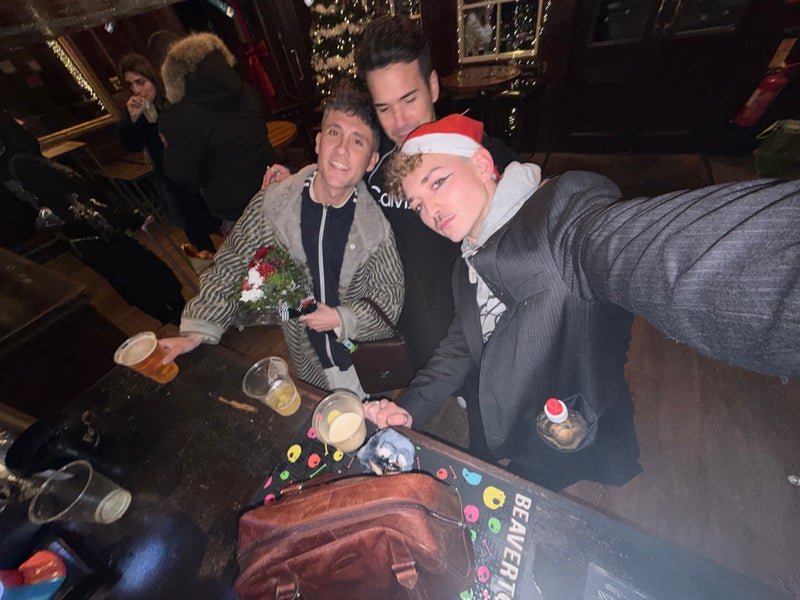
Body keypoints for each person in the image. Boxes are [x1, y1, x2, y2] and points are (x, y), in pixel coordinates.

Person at [365, 113, 800, 491]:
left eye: (438, 182)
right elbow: (460, 346)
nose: (431, 210)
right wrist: (408, 409)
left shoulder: (558, 213)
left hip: (571, 424)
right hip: (506, 429)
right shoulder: (464, 266)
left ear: (481, 164)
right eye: (418, 204)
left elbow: (648, 250)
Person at [264, 15, 520, 378]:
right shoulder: (374, 157)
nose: (400, 121)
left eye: (409, 99)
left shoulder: (475, 154)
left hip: (468, 332)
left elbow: (533, 201)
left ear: (433, 86)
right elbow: (338, 171)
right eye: (384, 108)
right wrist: (295, 179)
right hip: (401, 326)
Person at [159, 83, 404, 396]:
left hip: (362, 361)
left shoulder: (375, 229)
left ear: (371, 160)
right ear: (319, 142)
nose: (342, 149)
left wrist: (341, 318)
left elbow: (389, 295)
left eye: (358, 141)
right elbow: (231, 265)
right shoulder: (275, 205)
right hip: (307, 363)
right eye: (334, 133)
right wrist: (197, 329)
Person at [159, 32, 275, 232]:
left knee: (263, 252)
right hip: (273, 185)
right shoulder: (246, 92)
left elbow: (181, 175)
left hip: (238, 211)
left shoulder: (180, 118)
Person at [117, 53, 219, 253]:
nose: (136, 90)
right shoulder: (138, 110)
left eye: (140, 82)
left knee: (221, 221)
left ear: (153, 78)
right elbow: (132, 145)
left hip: (200, 174)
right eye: (130, 85)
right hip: (173, 181)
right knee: (197, 234)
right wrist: (131, 120)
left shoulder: (173, 99)